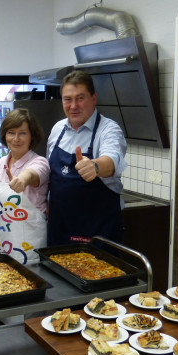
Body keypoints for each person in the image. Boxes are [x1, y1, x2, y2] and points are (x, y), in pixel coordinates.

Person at [46, 70, 127, 245]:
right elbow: (50, 175)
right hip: (58, 233)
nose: (73, 105)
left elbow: (112, 160)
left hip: (96, 237)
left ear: (94, 98)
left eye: (80, 98)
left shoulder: (108, 130)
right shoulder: (57, 129)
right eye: (68, 99)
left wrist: (95, 167)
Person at [0, 108, 49, 264]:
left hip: (28, 247)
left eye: (23, 133)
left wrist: (22, 180)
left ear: (32, 135)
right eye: (11, 132)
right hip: (1, 242)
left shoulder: (39, 162)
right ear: (4, 135)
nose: (16, 138)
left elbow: (33, 174)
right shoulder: (0, 164)